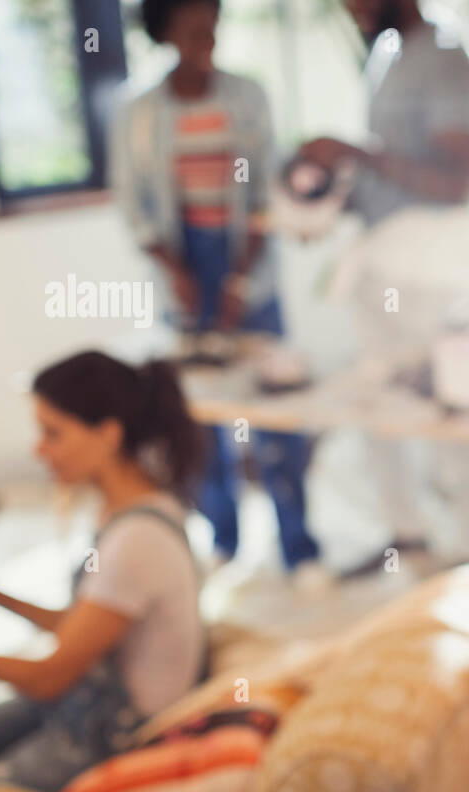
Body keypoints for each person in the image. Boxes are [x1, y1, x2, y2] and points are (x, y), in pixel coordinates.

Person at [0, 352, 208, 792]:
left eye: (53, 433)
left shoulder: (136, 540)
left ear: (108, 433)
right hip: (80, 703)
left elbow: (49, 676)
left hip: (106, 731)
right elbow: (83, 626)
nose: (39, 450)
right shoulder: (135, 509)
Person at [111, 0, 328, 587]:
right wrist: (177, 269)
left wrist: (236, 277)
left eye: (214, 22)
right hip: (180, 273)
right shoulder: (139, 113)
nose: (208, 36)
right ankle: (224, 539)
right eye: (194, 26)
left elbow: (265, 194)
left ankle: (300, 549)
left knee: (274, 410)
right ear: (165, 32)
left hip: (246, 268)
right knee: (199, 414)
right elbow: (133, 208)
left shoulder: (247, 97)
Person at [297, 0, 469, 561]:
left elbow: (453, 180)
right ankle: (410, 541)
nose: (348, 7)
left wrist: (358, 154)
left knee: (462, 411)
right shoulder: (392, 52)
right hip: (391, 266)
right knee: (383, 411)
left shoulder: (446, 57)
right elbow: (395, 169)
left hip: (434, 271)